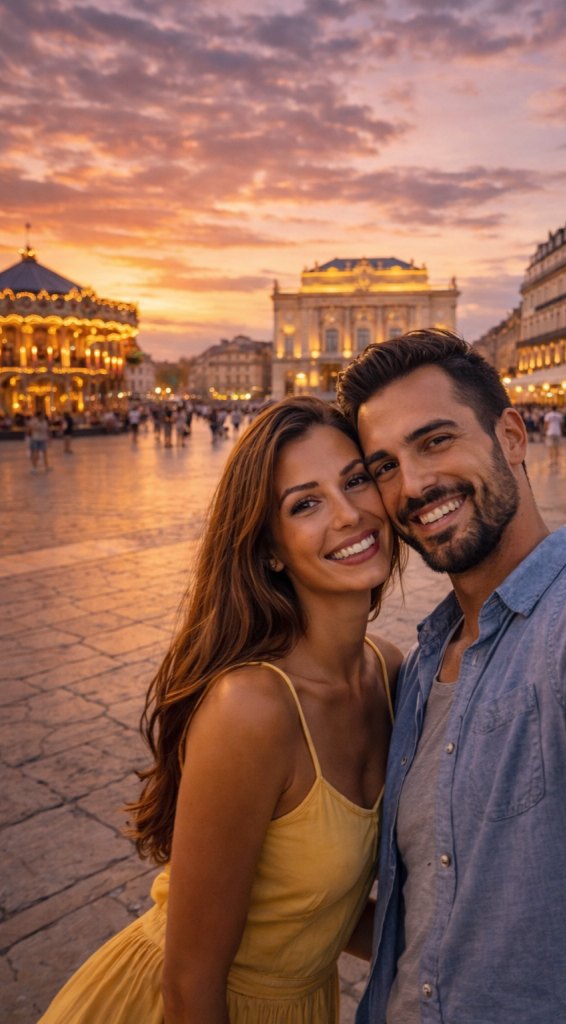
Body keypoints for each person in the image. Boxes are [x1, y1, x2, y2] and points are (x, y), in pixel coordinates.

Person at [336, 329, 566, 1024]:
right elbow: (435, 919)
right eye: (384, 466)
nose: (413, 485)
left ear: (514, 435)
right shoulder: (420, 666)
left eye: (435, 441)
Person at [38, 396, 403, 1024]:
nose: (348, 514)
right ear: (269, 549)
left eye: (356, 479)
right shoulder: (254, 709)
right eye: (305, 503)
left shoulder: (390, 671)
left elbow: (319, 910)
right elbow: (188, 988)